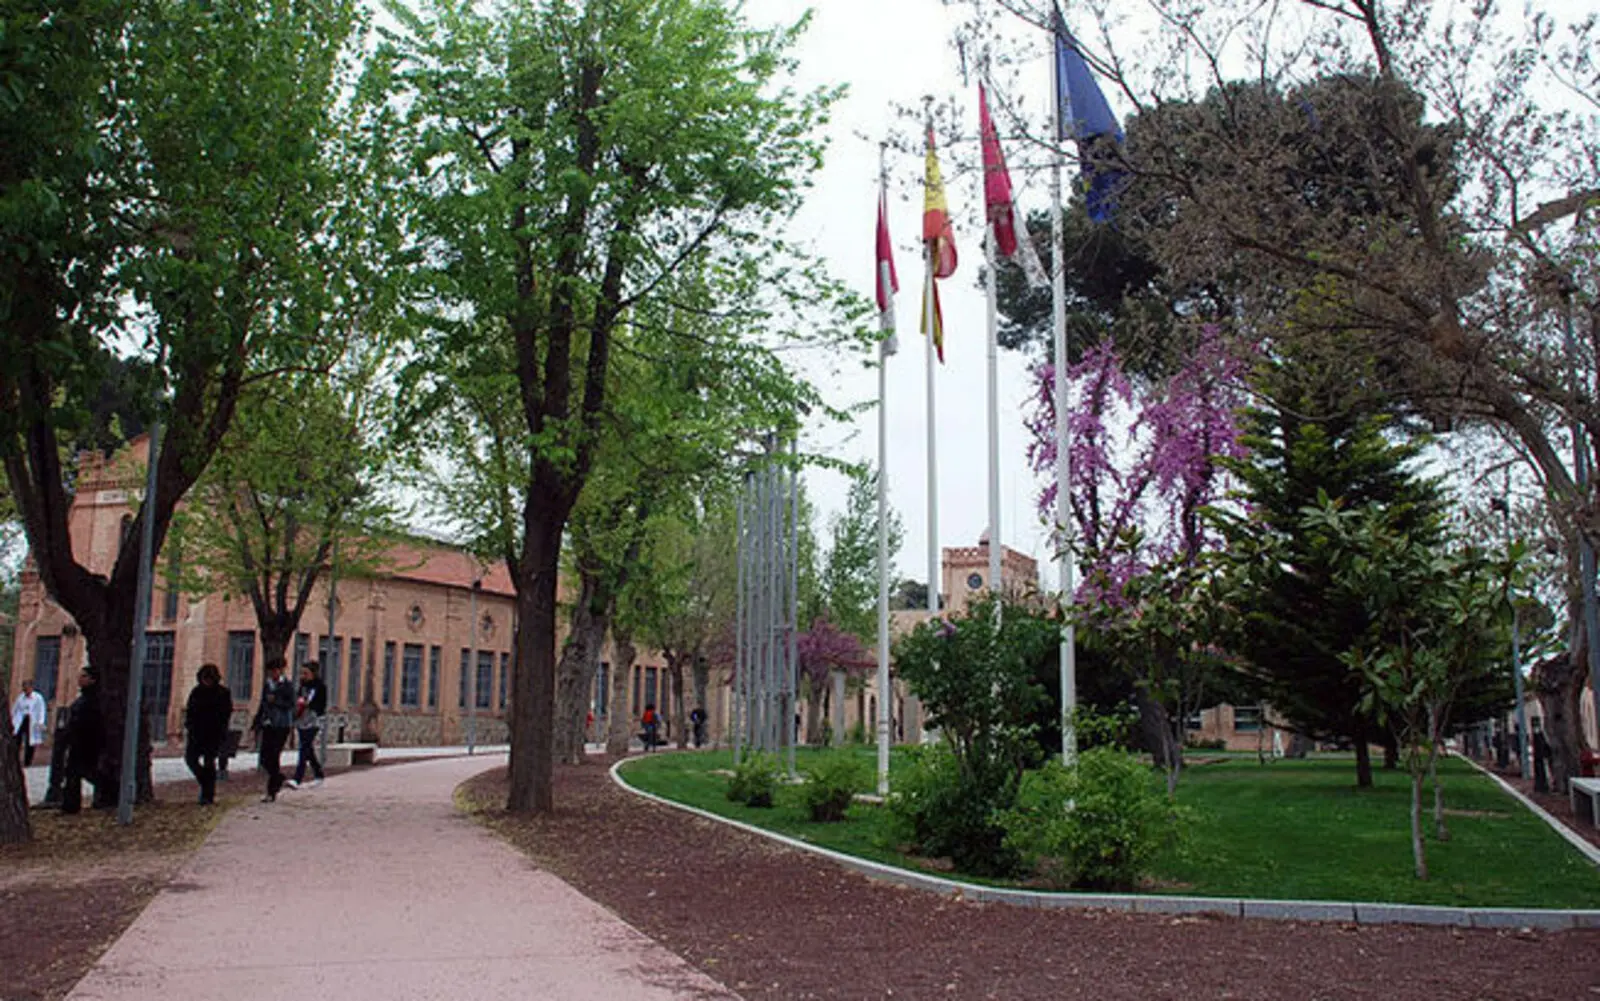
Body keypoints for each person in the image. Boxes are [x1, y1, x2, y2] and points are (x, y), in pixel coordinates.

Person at [184, 664, 233, 805]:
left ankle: (207, 795)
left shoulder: (223, 693)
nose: (207, 682)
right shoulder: (196, 692)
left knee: (209, 762)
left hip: (213, 734)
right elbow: (190, 710)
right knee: (190, 759)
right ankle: (205, 783)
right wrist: (189, 725)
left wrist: (221, 730)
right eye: (204, 679)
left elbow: (225, 714)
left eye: (209, 679)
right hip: (196, 733)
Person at [60, 666, 103, 815]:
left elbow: (90, 722)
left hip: (87, 743)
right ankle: (70, 805)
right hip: (77, 743)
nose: (80, 679)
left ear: (92, 679)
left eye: (84, 676)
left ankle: (102, 797)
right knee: (74, 774)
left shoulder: (93, 700)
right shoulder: (83, 699)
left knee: (87, 772)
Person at [253, 658, 296, 802]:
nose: (274, 673)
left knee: (274, 755)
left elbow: (291, 704)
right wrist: (257, 721)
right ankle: (279, 777)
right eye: (271, 671)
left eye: (276, 670)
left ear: (282, 670)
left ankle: (271, 791)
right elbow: (263, 703)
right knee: (265, 757)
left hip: (282, 724)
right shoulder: (268, 685)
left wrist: (276, 701)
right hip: (268, 724)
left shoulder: (287, 685)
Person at [292, 661, 327, 788]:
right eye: (302, 673)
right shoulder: (302, 687)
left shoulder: (320, 687)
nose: (303, 676)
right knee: (308, 749)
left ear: (313, 673)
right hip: (302, 719)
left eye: (306, 673)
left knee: (304, 747)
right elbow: (298, 700)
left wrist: (309, 704)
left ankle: (297, 778)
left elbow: (320, 705)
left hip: (314, 720)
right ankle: (318, 774)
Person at [11, 678, 47, 767]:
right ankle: (15, 760)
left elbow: (41, 710)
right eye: (24, 688)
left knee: (30, 742)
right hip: (21, 720)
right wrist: (12, 720)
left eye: (27, 688)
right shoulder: (20, 697)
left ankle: (28, 762)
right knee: (17, 739)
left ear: (31, 688)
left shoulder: (38, 698)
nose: (25, 690)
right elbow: (15, 709)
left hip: (32, 721)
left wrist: (40, 722)